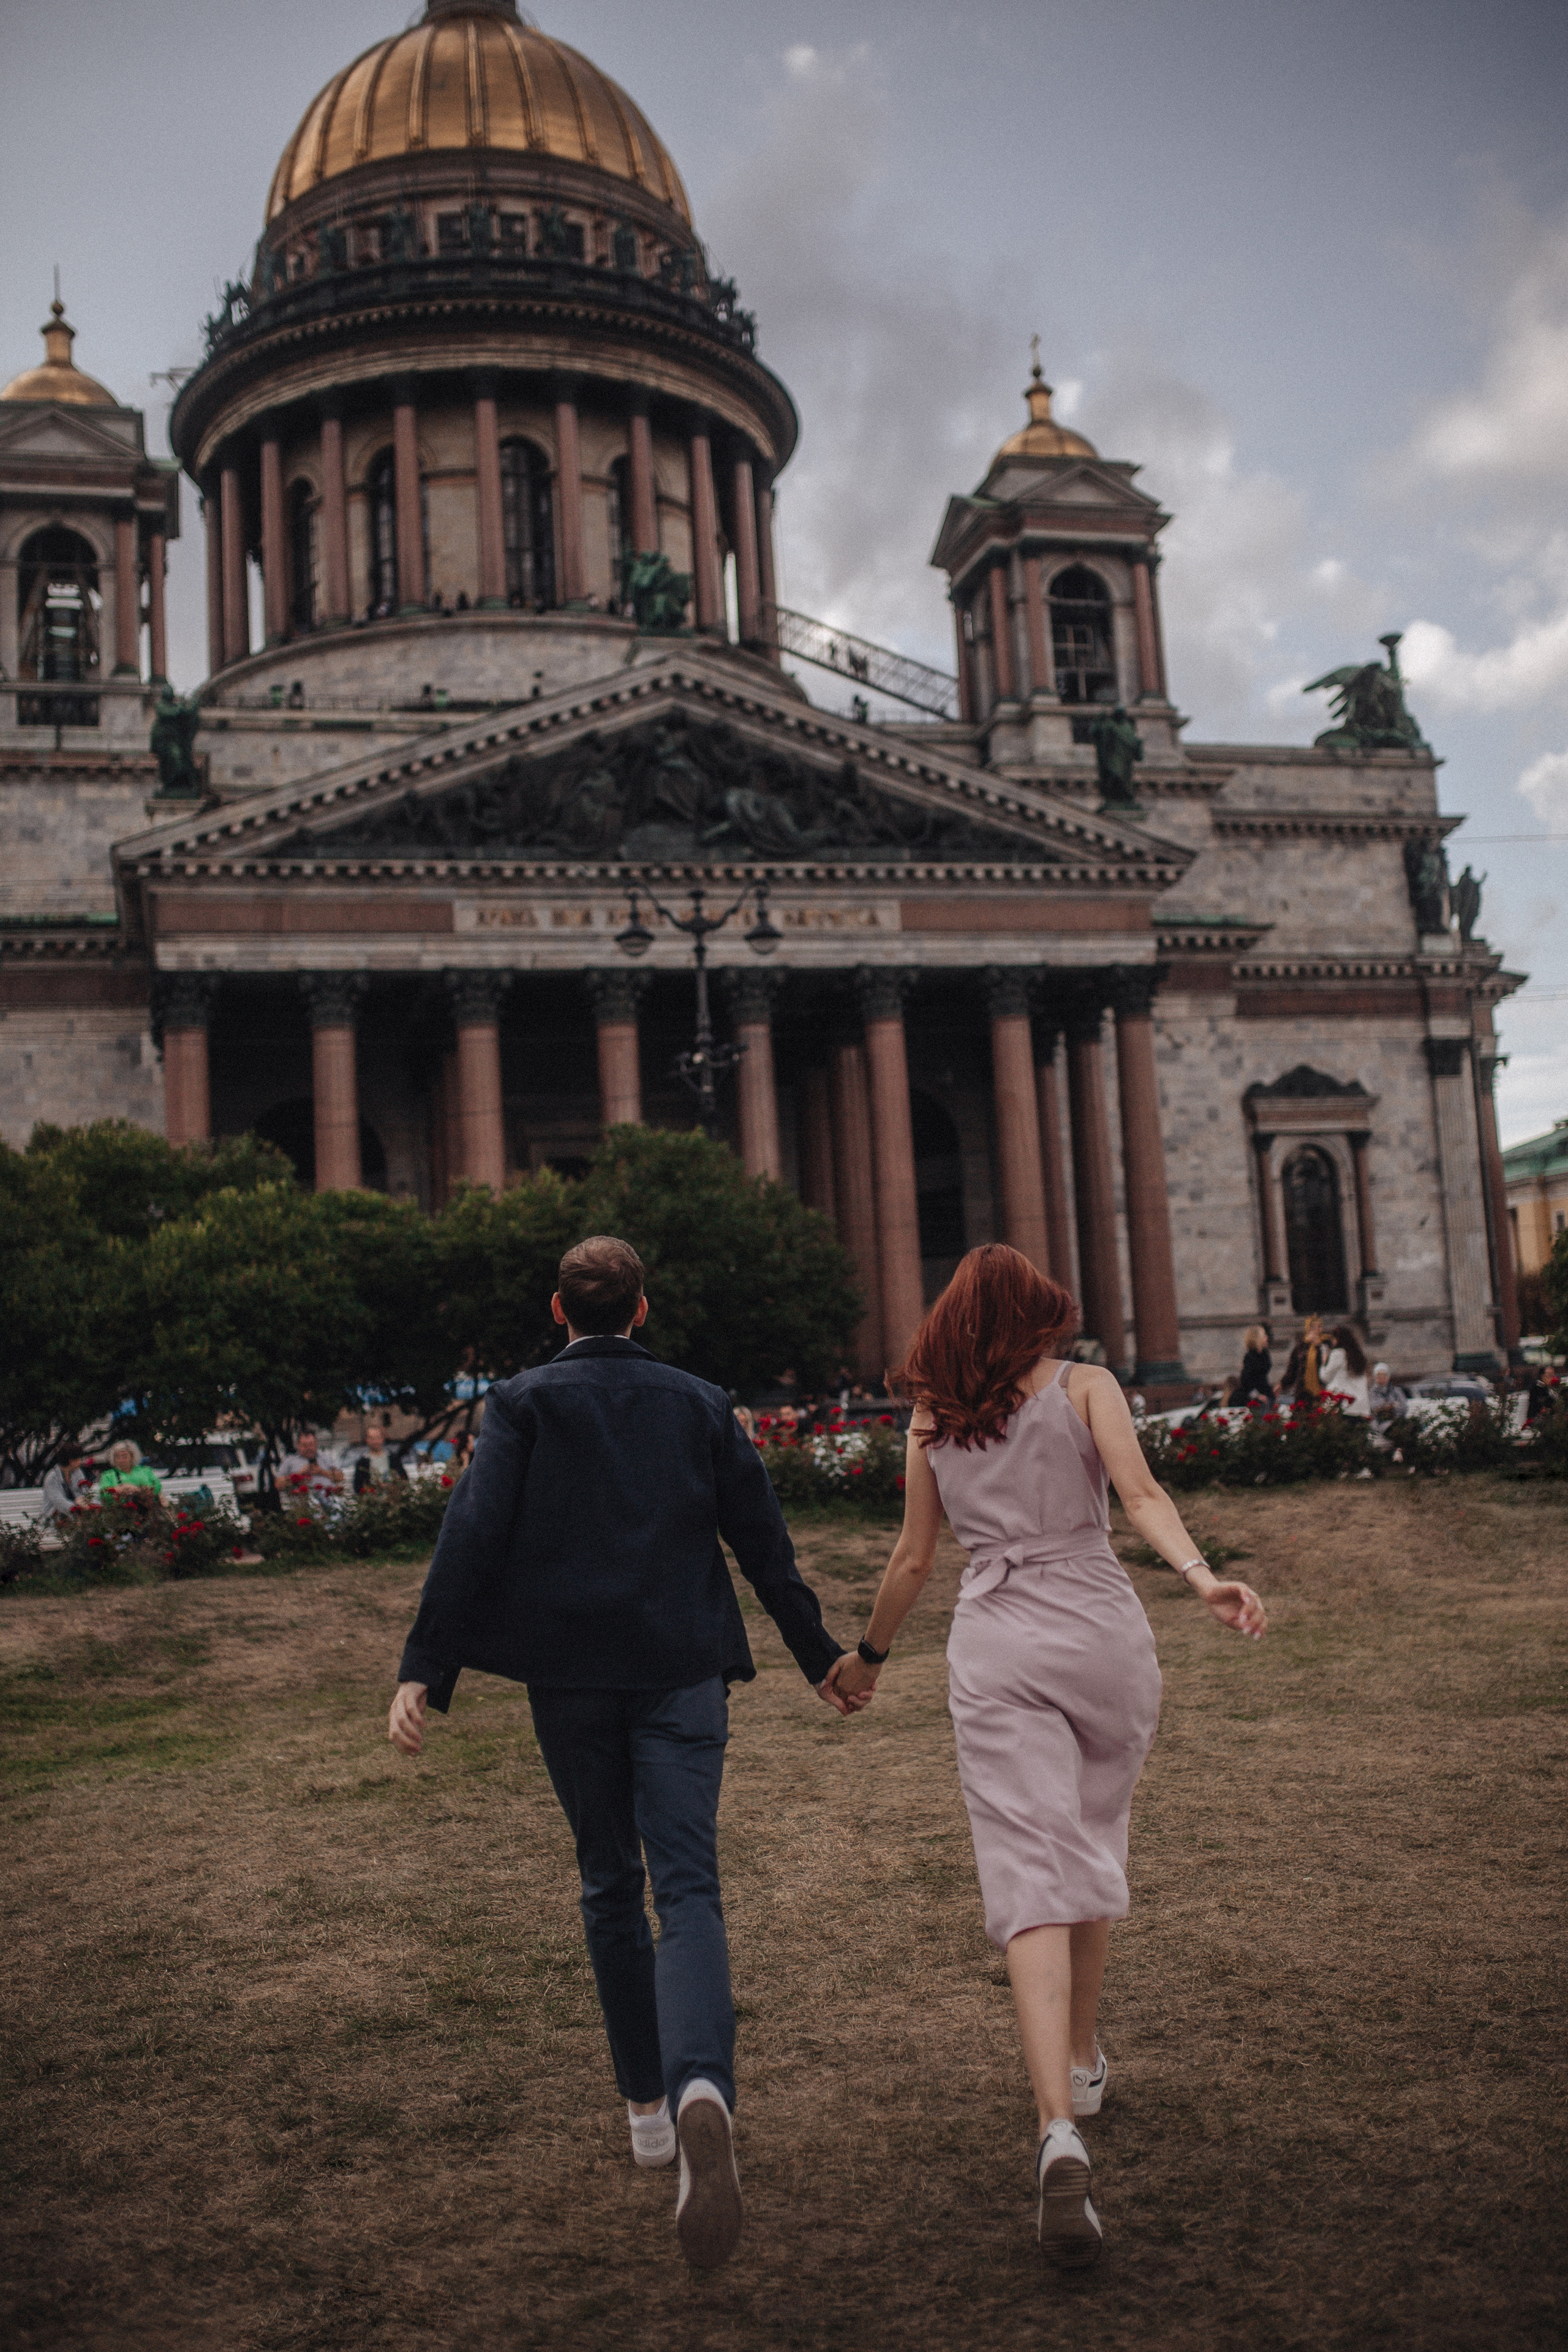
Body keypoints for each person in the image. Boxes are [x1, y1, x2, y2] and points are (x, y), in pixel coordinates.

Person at [387, 1234, 862, 2270]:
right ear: (641, 1311)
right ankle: (703, 2086)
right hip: (683, 1666)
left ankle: (649, 2112)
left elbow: (471, 1534)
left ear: (559, 1313)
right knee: (688, 1890)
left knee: (609, 1880)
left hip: (571, 1677)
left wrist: (424, 1666)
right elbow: (763, 1543)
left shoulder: (520, 1405)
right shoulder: (700, 1402)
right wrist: (818, 1656)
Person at [827, 1244, 1266, 2269]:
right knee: (1090, 1840)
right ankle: (1084, 2055)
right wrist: (1202, 1580)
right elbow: (1143, 1495)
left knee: (1031, 1873)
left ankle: (1058, 2120)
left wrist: (868, 1656)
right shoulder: (1087, 1387)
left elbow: (914, 1557)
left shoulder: (933, 1416)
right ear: (1036, 1317)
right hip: (1100, 1632)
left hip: (999, 1641)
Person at [1320, 1325, 1371, 1417]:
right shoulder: (1358, 1356)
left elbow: (1325, 1377)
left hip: (1344, 1406)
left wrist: (1324, 1361)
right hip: (1361, 1407)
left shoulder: (1338, 1354)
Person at [278, 1429, 344, 1498]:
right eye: (305, 1445)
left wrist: (321, 1472)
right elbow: (278, 1485)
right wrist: (299, 1474)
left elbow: (340, 1477)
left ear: (316, 1443)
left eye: (311, 1444)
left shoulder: (325, 1458)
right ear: (298, 1445)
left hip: (329, 1500)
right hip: (303, 1503)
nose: (308, 1448)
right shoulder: (289, 1461)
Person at [97, 1439, 162, 1498]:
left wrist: (137, 1490)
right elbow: (104, 1495)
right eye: (117, 1457)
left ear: (132, 1457)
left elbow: (157, 1486)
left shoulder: (146, 1471)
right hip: (121, 1509)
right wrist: (118, 1490)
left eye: (124, 1456)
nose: (121, 1460)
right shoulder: (108, 1475)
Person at [1228, 1324, 1273, 1408]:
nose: (1266, 1338)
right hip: (1258, 1397)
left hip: (1265, 1393)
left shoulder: (1264, 1354)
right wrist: (1257, 1395)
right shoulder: (1250, 1357)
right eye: (1264, 1336)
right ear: (1258, 1339)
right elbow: (1246, 1380)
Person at [41, 1442, 89, 1518]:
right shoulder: (52, 1477)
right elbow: (58, 1501)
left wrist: (85, 1502)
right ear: (71, 1461)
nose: (81, 1461)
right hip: (56, 1516)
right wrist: (75, 1507)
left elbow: (85, 1492)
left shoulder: (77, 1472)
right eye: (79, 1459)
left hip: (78, 1515)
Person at [353, 1423, 401, 1494]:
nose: (375, 1442)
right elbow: (358, 1486)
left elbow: (403, 1479)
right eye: (372, 1439)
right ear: (367, 1440)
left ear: (383, 1439)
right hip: (373, 1499)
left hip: (392, 1497)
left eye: (378, 1438)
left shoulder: (393, 1458)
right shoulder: (363, 1462)